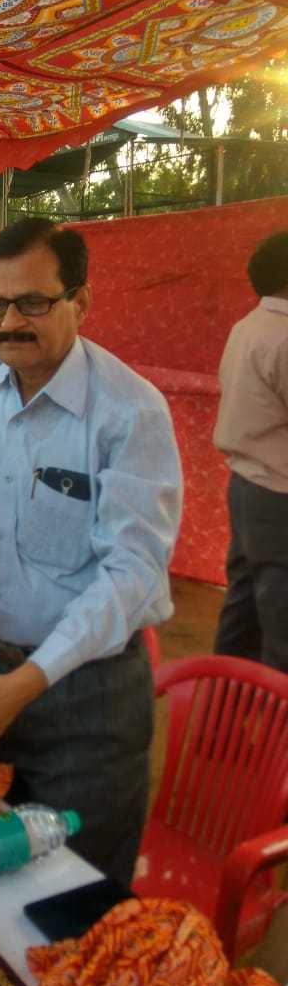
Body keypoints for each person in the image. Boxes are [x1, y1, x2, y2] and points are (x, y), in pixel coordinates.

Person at [0, 217, 182, 886]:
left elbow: (133, 573)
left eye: (32, 302)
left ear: (81, 302)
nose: (9, 323)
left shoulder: (130, 412)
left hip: (85, 701)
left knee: (71, 894)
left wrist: (27, 684)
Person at [213, 230, 288, 672]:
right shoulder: (283, 336)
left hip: (247, 486)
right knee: (281, 618)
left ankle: (223, 697)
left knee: (244, 605)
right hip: (278, 494)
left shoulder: (248, 327)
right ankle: (276, 707)